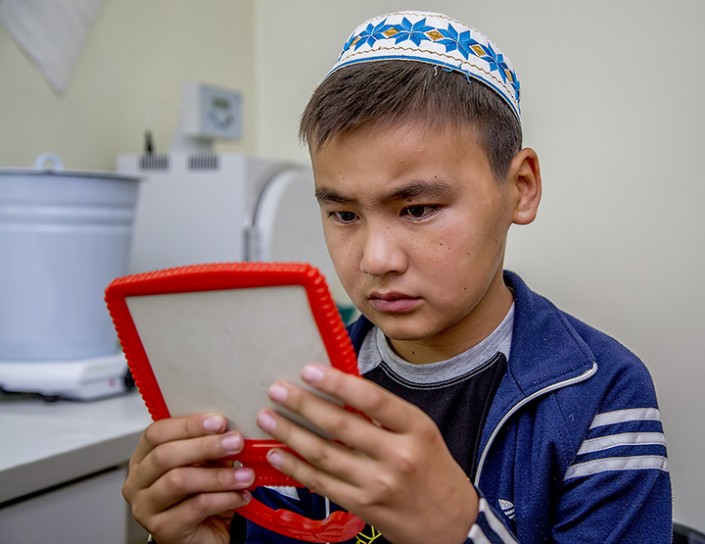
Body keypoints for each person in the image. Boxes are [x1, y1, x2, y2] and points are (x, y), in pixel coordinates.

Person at [122, 10, 672, 543]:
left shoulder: (602, 392)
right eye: (343, 215)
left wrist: (455, 529)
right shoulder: (296, 386)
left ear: (520, 188)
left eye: (418, 209)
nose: (376, 259)